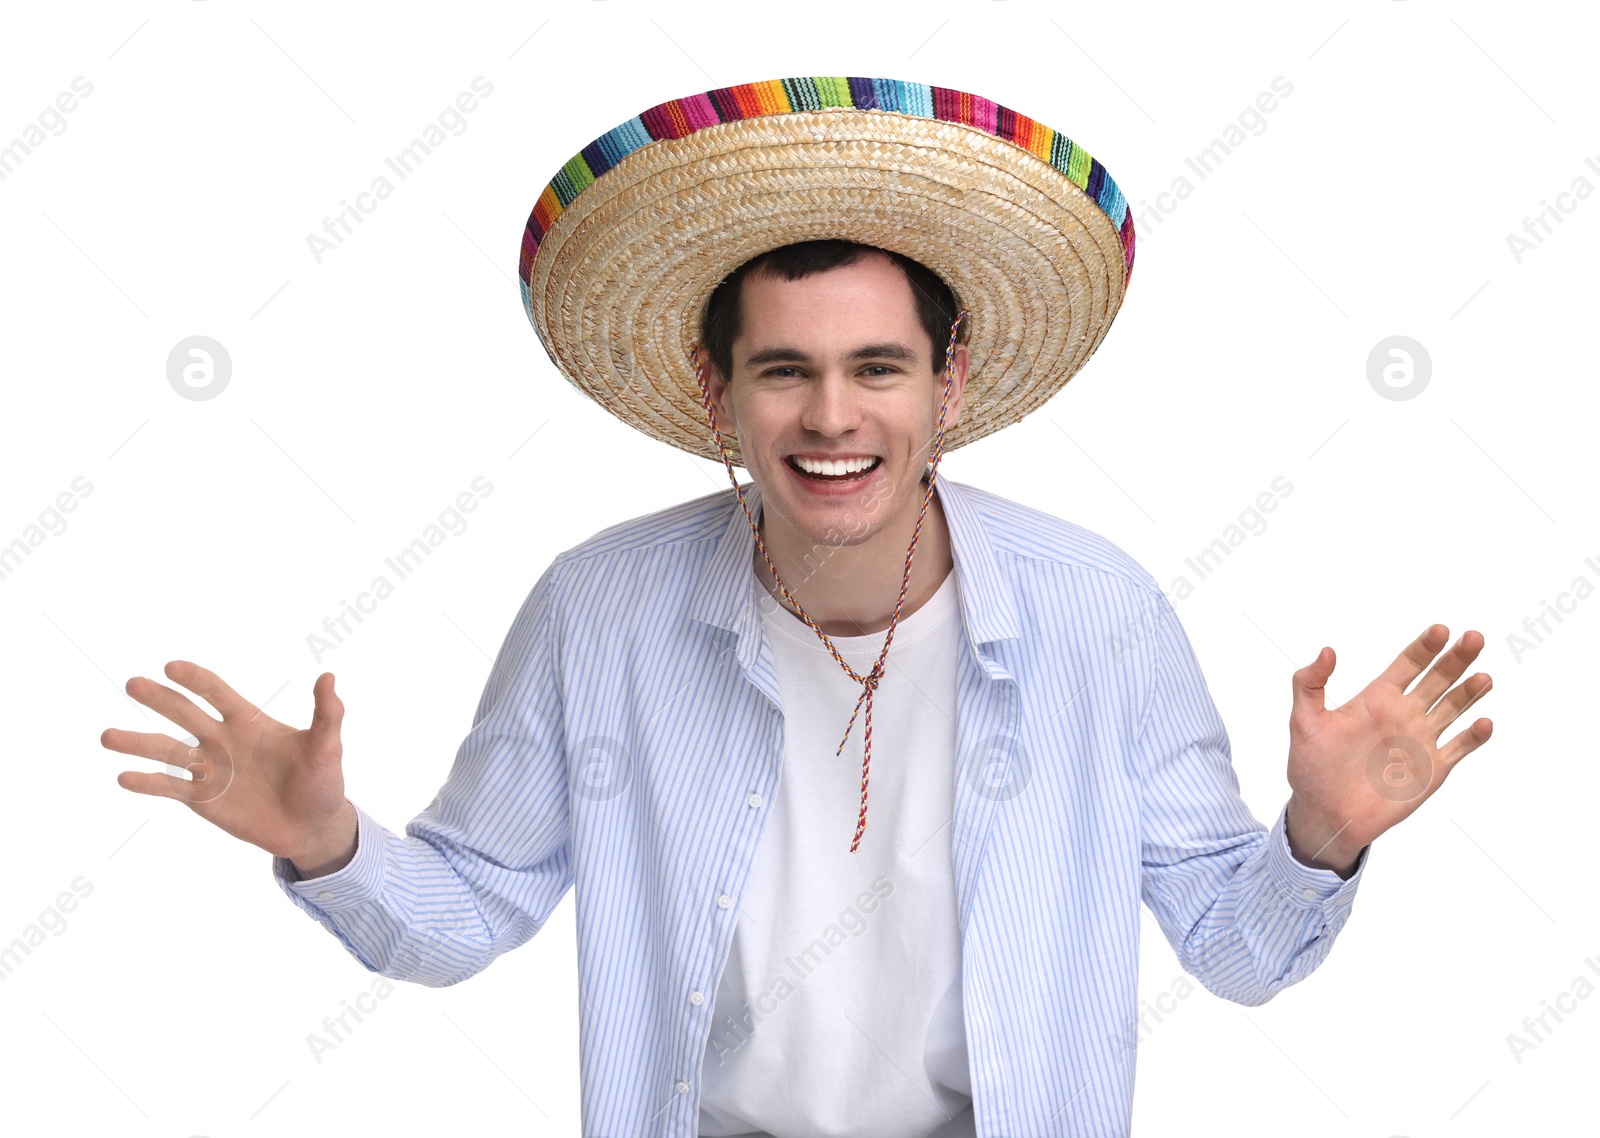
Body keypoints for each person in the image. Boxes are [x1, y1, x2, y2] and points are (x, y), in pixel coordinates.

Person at [102, 76, 1495, 1138]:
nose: (833, 417)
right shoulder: (601, 612)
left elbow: (1236, 948)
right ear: (718, 392)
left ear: (948, 387)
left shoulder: (1102, 617)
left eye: (877, 367)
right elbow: (472, 907)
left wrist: (1319, 835)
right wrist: (327, 842)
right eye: (784, 370)